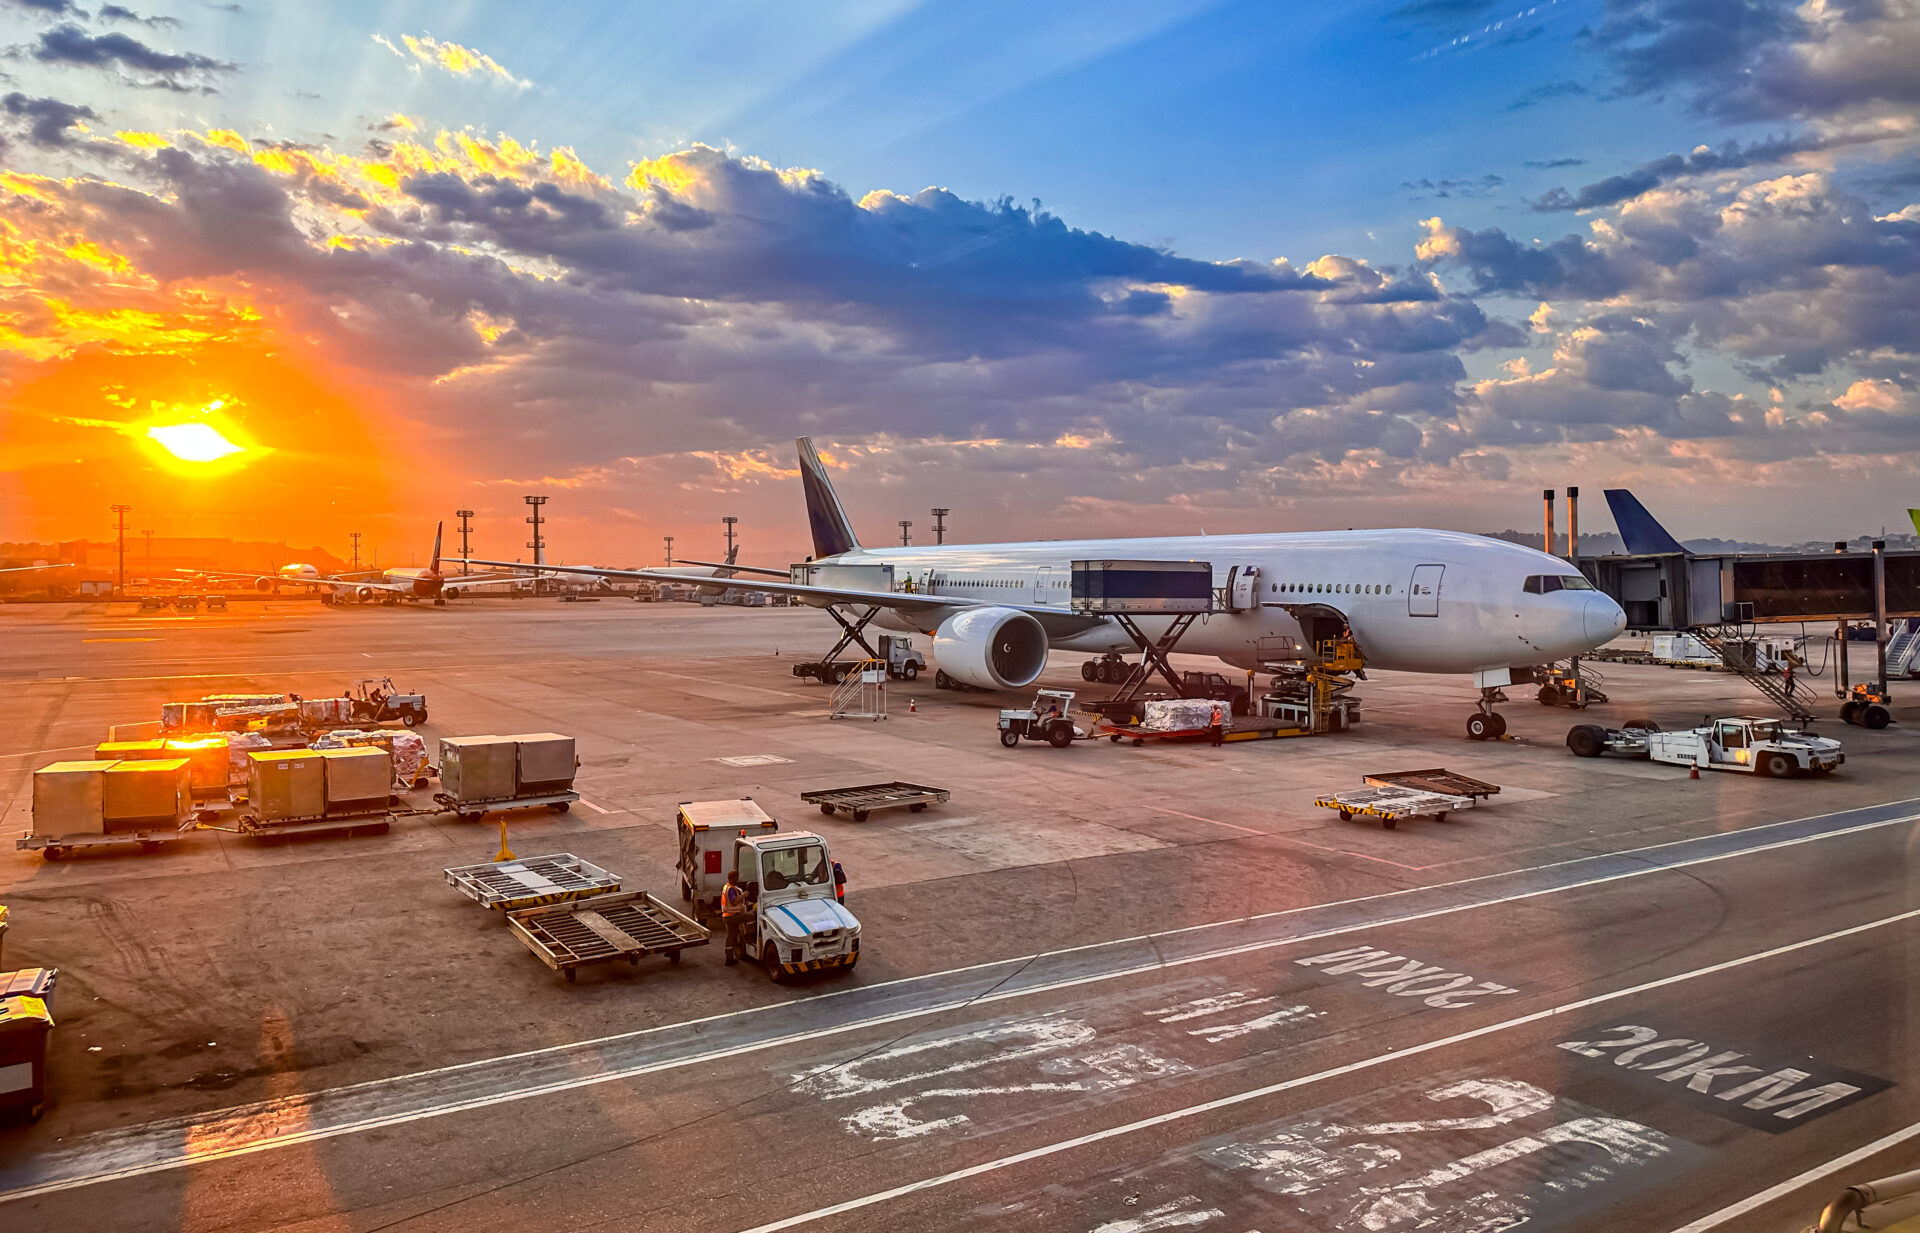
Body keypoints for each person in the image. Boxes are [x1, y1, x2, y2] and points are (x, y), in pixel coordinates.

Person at [720, 869, 748, 966]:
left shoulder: (726, 887)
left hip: (727, 915)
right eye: (736, 878)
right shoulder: (730, 889)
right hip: (732, 916)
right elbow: (734, 902)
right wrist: (743, 895)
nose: (737, 880)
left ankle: (729, 958)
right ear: (731, 879)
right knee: (753, 916)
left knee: (731, 936)